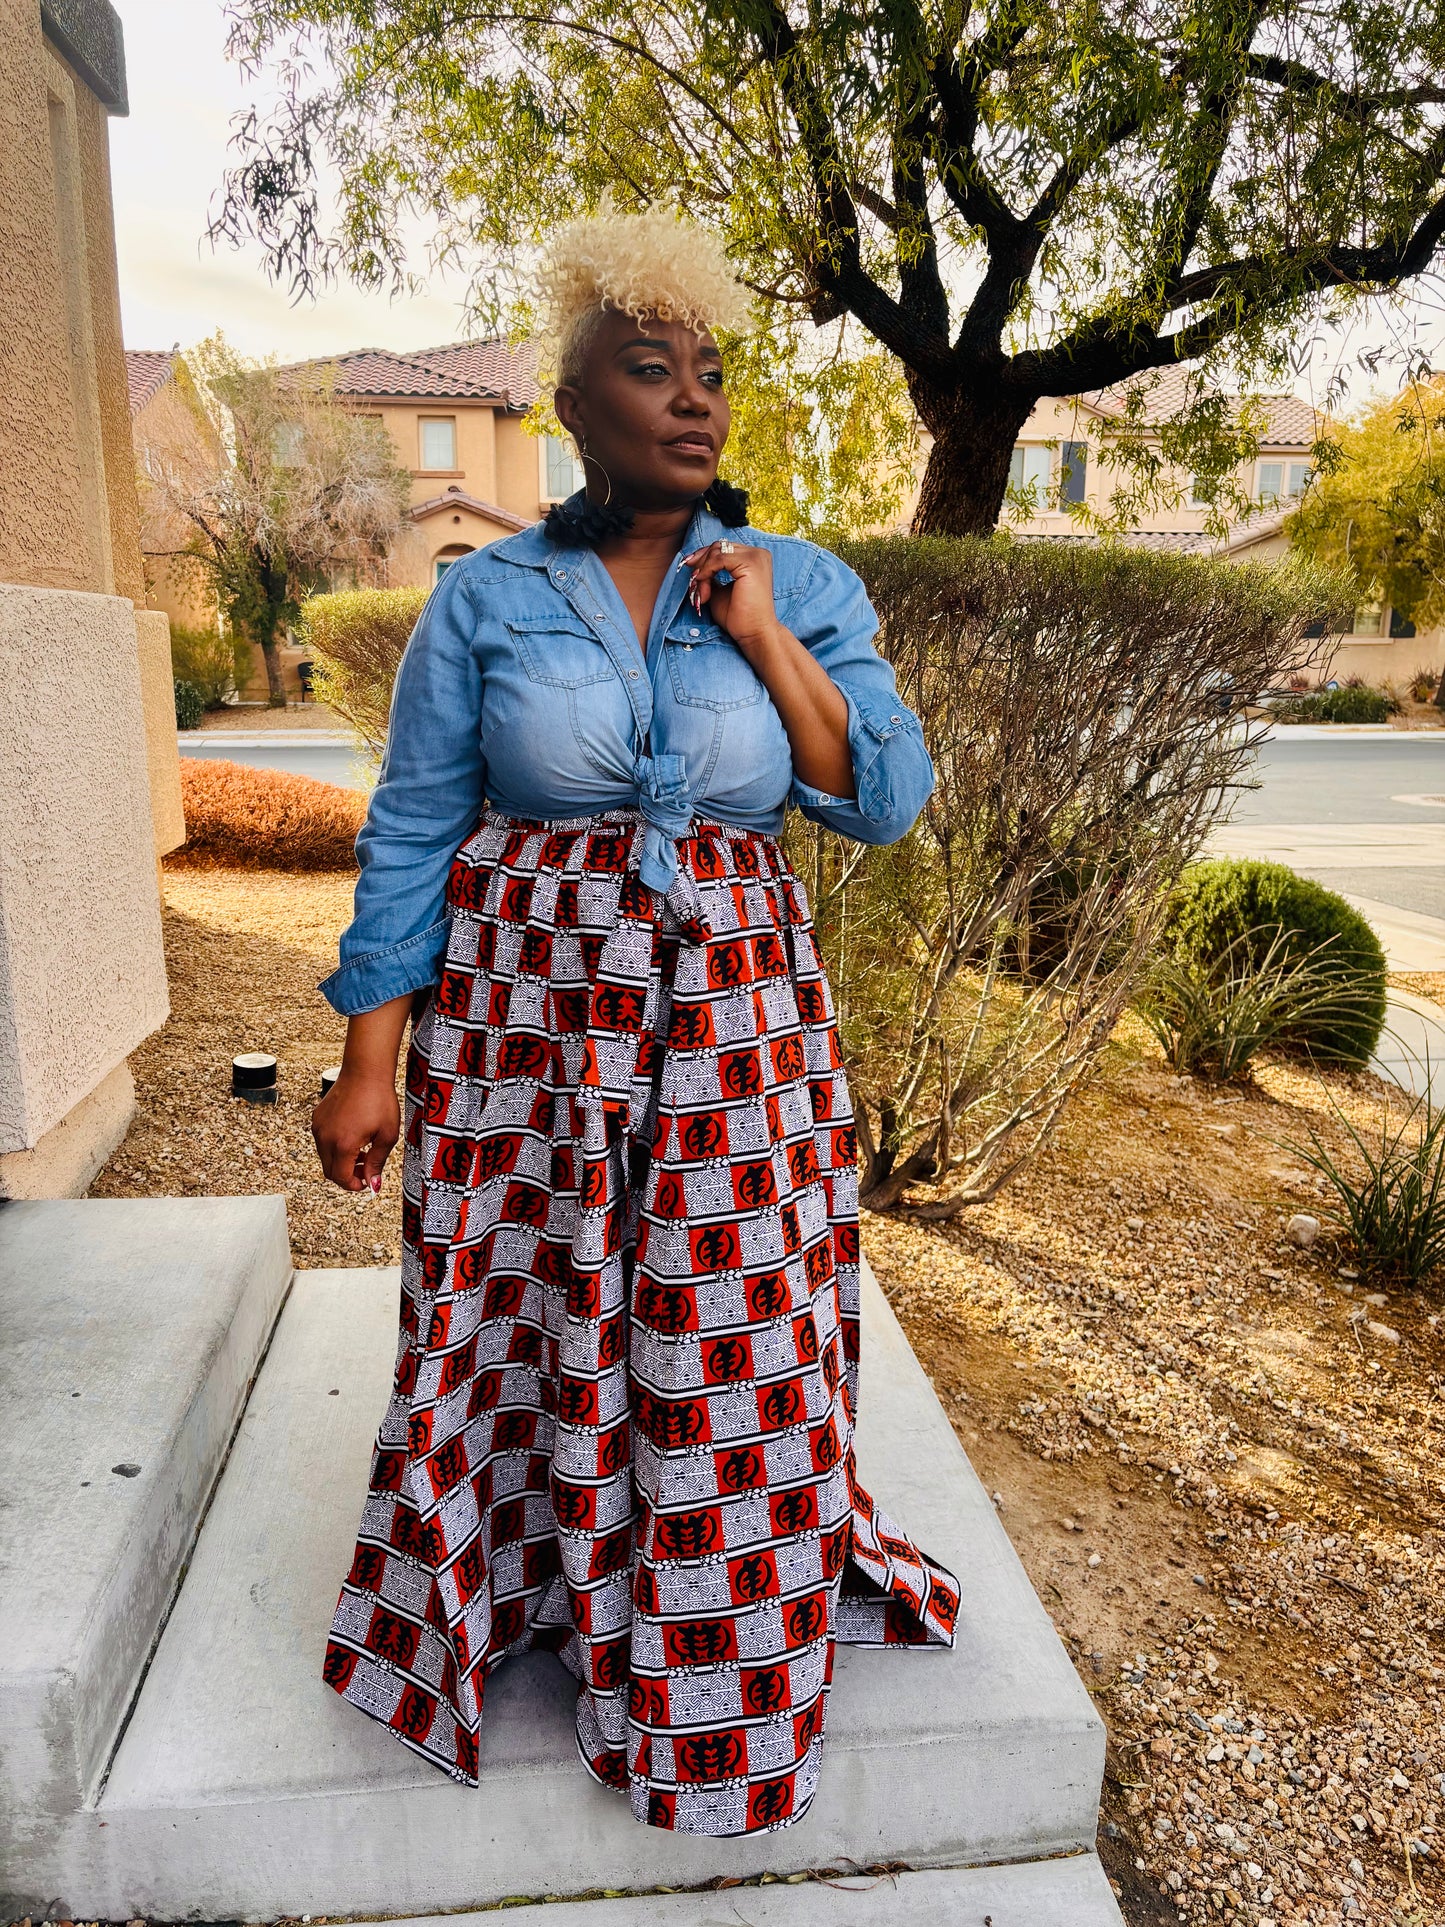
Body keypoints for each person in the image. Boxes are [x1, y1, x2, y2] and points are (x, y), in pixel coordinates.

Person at [311, 201, 958, 1838]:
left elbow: (879, 798)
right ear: (572, 406)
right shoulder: (488, 600)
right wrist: (369, 1060)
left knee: (726, 1327)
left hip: (735, 1025)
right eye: (646, 368)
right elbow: (410, 825)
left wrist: (758, 634)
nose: (691, 399)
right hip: (526, 1021)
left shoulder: (798, 579)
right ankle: (527, 1600)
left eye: (712, 371)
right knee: (523, 1309)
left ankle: (708, 1676)